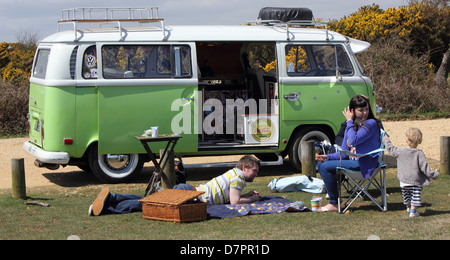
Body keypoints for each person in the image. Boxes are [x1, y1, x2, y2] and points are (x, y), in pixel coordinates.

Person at [88, 155, 261, 216]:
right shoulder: (239, 178)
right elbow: (234, 203)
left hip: (189, 192)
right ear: (244, 167)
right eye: (254, 170)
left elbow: (233, 197)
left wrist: (247, 196)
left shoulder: (235, 173)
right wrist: (252, 198)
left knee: (149, 201)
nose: (256, 174)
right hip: (191, 197)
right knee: (148, 204)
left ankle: (112, 198)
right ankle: (107, 208)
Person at [315, 95, 382, 212]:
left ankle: (334, 203)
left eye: (366, 109)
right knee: (322, 164)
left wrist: (349, 121)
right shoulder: (350, 126)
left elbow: (353, 140)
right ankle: (335, 201)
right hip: (354, 162)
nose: (364, 113)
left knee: (325, 167)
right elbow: (344, 152)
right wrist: (327, 157)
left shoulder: (371, 123)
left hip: (366, 163)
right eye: (361, 110)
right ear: (352, 111)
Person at [383, 127, 439, 217]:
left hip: (403, 180)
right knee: (415, 196)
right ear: (419, 142)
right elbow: (425, 168)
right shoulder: (419, 153)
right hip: (415, 180)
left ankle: (408, 207)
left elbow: (391, 149)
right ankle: (413, 212)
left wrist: (385, 139)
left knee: (407, 195)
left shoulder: (401, 151)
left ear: (407, 140)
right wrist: (434, 175)